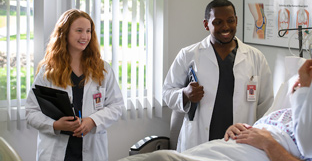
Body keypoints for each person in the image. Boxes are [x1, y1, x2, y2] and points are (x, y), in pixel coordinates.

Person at [120, 60, 312, 161]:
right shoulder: (283, 113)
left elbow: (264, 103)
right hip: (213, 148)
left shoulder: (306, 130)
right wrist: (241, 128)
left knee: (160, 158)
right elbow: (167, 91)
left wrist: (267, 143)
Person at [162, 0, 274, 152]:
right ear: (206, 24)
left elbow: (266, 105)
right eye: (218, 22)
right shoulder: (188, 55)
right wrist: (185, 94)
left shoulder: (256, 57)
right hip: (198, 140)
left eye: (230, 20)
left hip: (241, 142)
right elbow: (167, 93)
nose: (225, 27)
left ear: (237, 20)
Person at [25, 9, 124, 161]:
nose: (84, 36)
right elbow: (31, 111)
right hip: (56, 152)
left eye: (88, 31)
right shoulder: (49, 70)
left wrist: (92, 121)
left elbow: (116, 106)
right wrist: (55, 125)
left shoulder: (102, 69)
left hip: (92, 149)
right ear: (65, 33)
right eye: (79, 30)